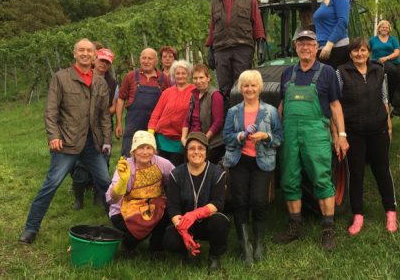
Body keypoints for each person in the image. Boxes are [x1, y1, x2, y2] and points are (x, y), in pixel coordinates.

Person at [19, 38, 112, 244]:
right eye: (81, 50)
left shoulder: (100, 82)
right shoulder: (61, 78)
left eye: (89, 50)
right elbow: (50, 111)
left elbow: (104, 115)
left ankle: (119, 225)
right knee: (52, 183)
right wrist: (53, 136)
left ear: (95, 55)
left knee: (106, 183)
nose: (86, 53)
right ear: (75, 54)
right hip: (67, 143)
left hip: (92, 143)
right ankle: (31, 229)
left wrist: (107, 140)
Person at [274, 29, 349, 251]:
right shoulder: (287, 73)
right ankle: (295, 226)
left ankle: (328, 229)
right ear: (295, 47)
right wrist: (276, 130)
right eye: (300, 44)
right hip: (289, 133)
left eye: (309, 44)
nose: (305, 47)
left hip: (315, 131)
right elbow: (282, 106)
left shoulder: (327, 72)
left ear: (316, 47)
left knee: (321, 178)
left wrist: (341, 135)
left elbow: (335, 106)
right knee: (289, 178)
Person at [337, 37, 397, 235]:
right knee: (356, 174)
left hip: (378, 129)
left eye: (363, 50)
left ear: (369, 52)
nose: (359, 54)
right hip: (354, 131)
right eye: (355, 51)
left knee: (382, 171)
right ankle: (358, 215)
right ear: (350, 53)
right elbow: (336, 104)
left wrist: (388, 125)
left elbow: (384, 99)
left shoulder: (379, 71)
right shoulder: (341, 73)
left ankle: (390, 211)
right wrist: (339, 133)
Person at [223, 69, 283, 265]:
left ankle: (259, 242)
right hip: (239, 161)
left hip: (262, 161)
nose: (249, 89)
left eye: (253, 85)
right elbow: (226, 137)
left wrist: (267, 137)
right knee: (240, 201)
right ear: (241, 88)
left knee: (259, 201)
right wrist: (240, 135)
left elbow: (279, 137)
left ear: (260, 87)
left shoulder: (271, 111)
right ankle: (245, 244)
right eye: (246, 85)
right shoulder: (233, 111)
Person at [162, 132, 230, 272]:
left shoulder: (217, 173)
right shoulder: (176, 174)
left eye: (201, 148)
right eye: (192, 148)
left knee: (220, 222)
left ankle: (214, 256)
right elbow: (172, 206)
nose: (196, 152)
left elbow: (218, 203)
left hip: (207, 223)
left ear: (206, 151)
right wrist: (183, 231)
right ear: (186, 152)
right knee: (170, 239)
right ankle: (186, 251)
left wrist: (195, 214)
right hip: (185, 223)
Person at [106, 131, 175, 257]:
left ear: (154, 150)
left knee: (166, 213)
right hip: (125, 209)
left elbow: (176, 180)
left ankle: (156, 248)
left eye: (149, 148)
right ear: (133, 151)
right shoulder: (126, 166)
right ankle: (128, 245)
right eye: (140, 148)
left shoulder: (162, 164)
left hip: (154, 205)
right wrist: (122, 181)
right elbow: (111, 199)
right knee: (143, 224)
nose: (145, 152)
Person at [205, 0, 266, 98]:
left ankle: (242, 118)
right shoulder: (216, 1)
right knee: (224, 89)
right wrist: (210, 47)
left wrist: (261, 44)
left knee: (242, 86)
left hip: (243, 48)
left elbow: (257, 22)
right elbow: (212, 26)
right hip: (221, 50)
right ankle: (227, 118)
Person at [71, 48, 118, 210]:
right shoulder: (81, 78)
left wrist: (100, 114)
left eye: (107, 62)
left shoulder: (112, 83)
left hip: (102, 129)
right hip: (82, 130)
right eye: (101, 60)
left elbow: (113, 107)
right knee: (79, 166)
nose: (103, 64)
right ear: (94, 59)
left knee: (103, 165)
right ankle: (78, 197)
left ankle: (100, 196)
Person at [115, 48, 163, 157]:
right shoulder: (131, 76)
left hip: (154, 127)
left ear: (156, 61)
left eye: (150, 58)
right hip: (133, 126)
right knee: (128, 157)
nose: (146, 61)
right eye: (144, 58)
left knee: (152, 159)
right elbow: (121, 98)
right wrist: (119, 123)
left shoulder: (163, 79)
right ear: (140, 60)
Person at [147, 60, 195, 166]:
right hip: (162, 139)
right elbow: (156, 113)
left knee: (175, 169)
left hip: (180, 139)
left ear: (188, 75)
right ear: (173, 75)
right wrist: (150, 131)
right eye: (177, 73)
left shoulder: (194, 91)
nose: (180, 76)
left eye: (183, 73)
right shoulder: (167, 92)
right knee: (161, 170)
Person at [181, 63, 225, 165]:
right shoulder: (194, 95)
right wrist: (184, 138)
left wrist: (203, 140)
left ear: (208, 78)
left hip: (211, 143)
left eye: (201, 77)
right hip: (193, 139)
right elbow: (187, 119)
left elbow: (218, 122)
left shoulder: (215, 95)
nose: (198, 81)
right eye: (195, 78)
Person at [369, 20, 400, 119]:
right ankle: (393, 103)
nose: (384, 28)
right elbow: (367, 51)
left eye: (386, 27)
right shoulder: (372, 40)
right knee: (392, 72)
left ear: (389, 29)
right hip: (378, 63)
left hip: (394, 62)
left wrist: (386, 58)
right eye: (382, 26)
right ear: (378, 28)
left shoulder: (393, 39)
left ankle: (398, 108)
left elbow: (397, 52)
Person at [313, 0, 351, 69]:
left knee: (336, 82)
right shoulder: (323, 2)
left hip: (337, 48)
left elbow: (343, 22)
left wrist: (329, 45)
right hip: (323, 49)